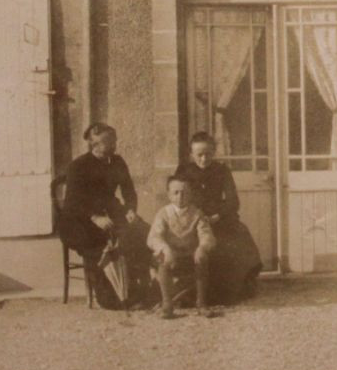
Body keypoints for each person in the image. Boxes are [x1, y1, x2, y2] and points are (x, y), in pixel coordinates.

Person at [59, 123, 154, 309]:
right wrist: (95, 218)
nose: (114, 144)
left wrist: (130, 210)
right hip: (79, 221)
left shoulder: (117, 161)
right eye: (108, 141)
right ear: (94, 145)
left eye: (114, 140)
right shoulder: (78, 166)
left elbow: (129, 191)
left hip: (110, 214)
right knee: (100, 247)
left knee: (145, 233)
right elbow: (72, 203)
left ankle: (142, 290)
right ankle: (110, 299)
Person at [173, 131, 265, 304]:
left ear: (214, 152)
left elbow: (233, 201)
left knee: (237, 236)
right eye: (199, 155)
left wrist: (217, 216)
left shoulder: (222, 170)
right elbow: (178, 197)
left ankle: (235, 288)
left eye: (207, 154)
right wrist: (196, 216)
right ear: (191, 154)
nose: (203, 159)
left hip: (218, 218)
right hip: (193, 218)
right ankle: (195, 290)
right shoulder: (184, 171)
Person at [147, 174, 219, 318]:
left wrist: (202, 247)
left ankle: (201, 303)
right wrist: (165, 248)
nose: (180, 196)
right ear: (169, 195)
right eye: (176, 192)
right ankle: (167, 305)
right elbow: (154, 237)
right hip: (170, 256)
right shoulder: (163, 214)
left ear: (191, 194)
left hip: (190, 256)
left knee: (202, 258)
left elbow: (207, 235)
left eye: (185, 193)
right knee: (162, 258)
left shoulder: (197, 214)